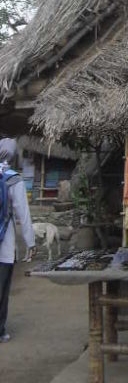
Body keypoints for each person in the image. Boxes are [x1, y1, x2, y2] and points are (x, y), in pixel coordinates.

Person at [0, 138, 36, 343]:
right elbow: (23, 215)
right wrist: (30, 242)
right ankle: (0, 331)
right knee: (2, 289)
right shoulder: (14, 180)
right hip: (5, 245)